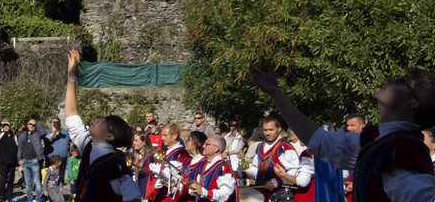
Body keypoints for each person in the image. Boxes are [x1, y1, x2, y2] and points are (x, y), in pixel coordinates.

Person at [252, 68, 435, 202]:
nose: (392, 77)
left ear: (412, 103)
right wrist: (276, 92)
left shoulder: (404, 147)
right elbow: (319, 140)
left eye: (403, 80)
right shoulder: (376, 137)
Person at [63, 49, 141, 202]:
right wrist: (72, 76)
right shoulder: (88, 144)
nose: (98, 119)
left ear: (110, 136)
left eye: (104, 121)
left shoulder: (115, 165)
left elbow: (134, 196)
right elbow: (71, 114)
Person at [234, 118, 306, 201]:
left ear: (279, 129)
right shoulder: (260, 146)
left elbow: (295, 171)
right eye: (265, 130)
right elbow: (257, 169)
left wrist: (276, 181)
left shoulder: (285, 147)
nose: (267, 133)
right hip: (260, 193)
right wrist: (240, 174)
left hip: (279, 195)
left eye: (271, 130)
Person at [185, 136, 235, 202]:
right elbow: (199, 186)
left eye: (206, 144)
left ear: (216, 149)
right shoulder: (203, 164)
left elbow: (226, 193)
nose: (203, 146)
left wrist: (205, 193)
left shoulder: (224, 167)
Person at [17, 120, 44, 202]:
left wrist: (36, 123)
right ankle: (29, 199)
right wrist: (19, 159)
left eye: (33, 124)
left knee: (37, 181)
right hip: (25, 161)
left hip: (34, 160)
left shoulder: (37, 134)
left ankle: (38, 199)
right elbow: (20, 148)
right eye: (30, 124)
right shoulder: (23, 135)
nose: (31, 125)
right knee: (28, 183)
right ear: (27, 125)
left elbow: (44, 132)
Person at [45, 119, 71, 202]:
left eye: (57, 122)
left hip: (62, 159)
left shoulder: (65, 132)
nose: (55, 124)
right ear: (51, 123)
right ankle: (48, 196)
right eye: (54, 122)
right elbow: (46, 140)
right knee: (49, 178)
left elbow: (70, 142)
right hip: (51, 159)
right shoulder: (47, 131)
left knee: (60, 177)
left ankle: (59, 193)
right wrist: (53, 132)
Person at [0, 125, 16, 202]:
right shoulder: (0, 135)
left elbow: (17, 148)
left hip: (12, 161)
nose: (6, 127)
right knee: (3, 179)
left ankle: (9, 197)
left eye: (7, 126)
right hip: (3, 161)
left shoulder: (13, 136)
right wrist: (0, 123)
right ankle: (2, 196)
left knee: (11, 180)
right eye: (4, 126)